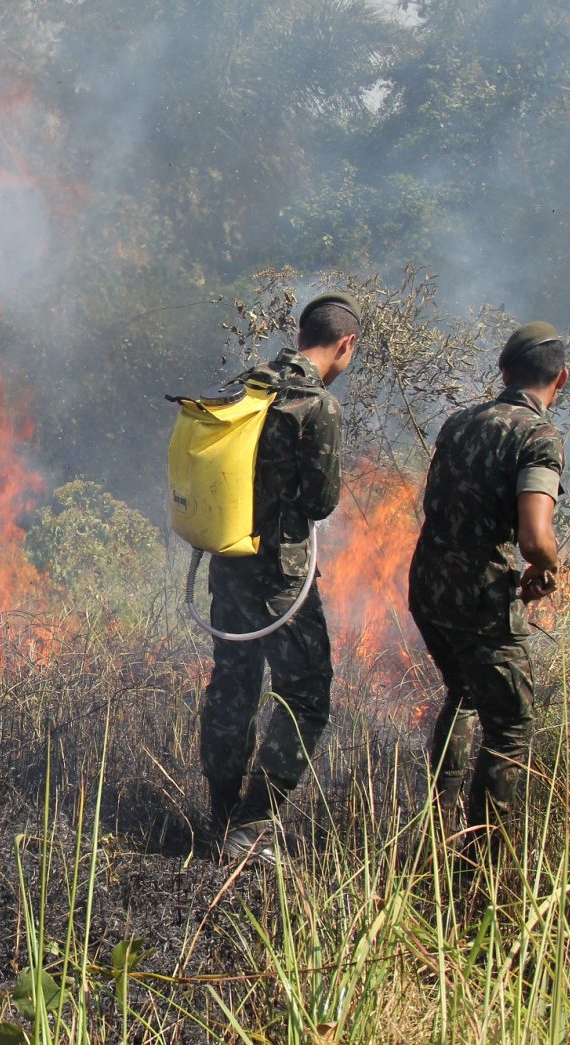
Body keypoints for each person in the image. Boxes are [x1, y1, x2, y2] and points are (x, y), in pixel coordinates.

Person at [200, 292, 359, 864]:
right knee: (308, 697)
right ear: (345, 345)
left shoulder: (249, 383)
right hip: (281, 581)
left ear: (299, 333)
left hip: (227, 567)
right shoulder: (317, 407)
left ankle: (219, 819)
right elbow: (320, 503)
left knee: (233, 687)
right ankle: (251, 827)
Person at [409, 321, 567, 851]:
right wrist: (548, 567)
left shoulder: (459, 421)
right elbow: (534, 536)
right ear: (560, 380)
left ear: (503, 372)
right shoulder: (537, 437)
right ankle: (479, 867)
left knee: (463, 693)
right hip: (479, 597)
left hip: (428, 585)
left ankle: (437, 823)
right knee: (512, 729)